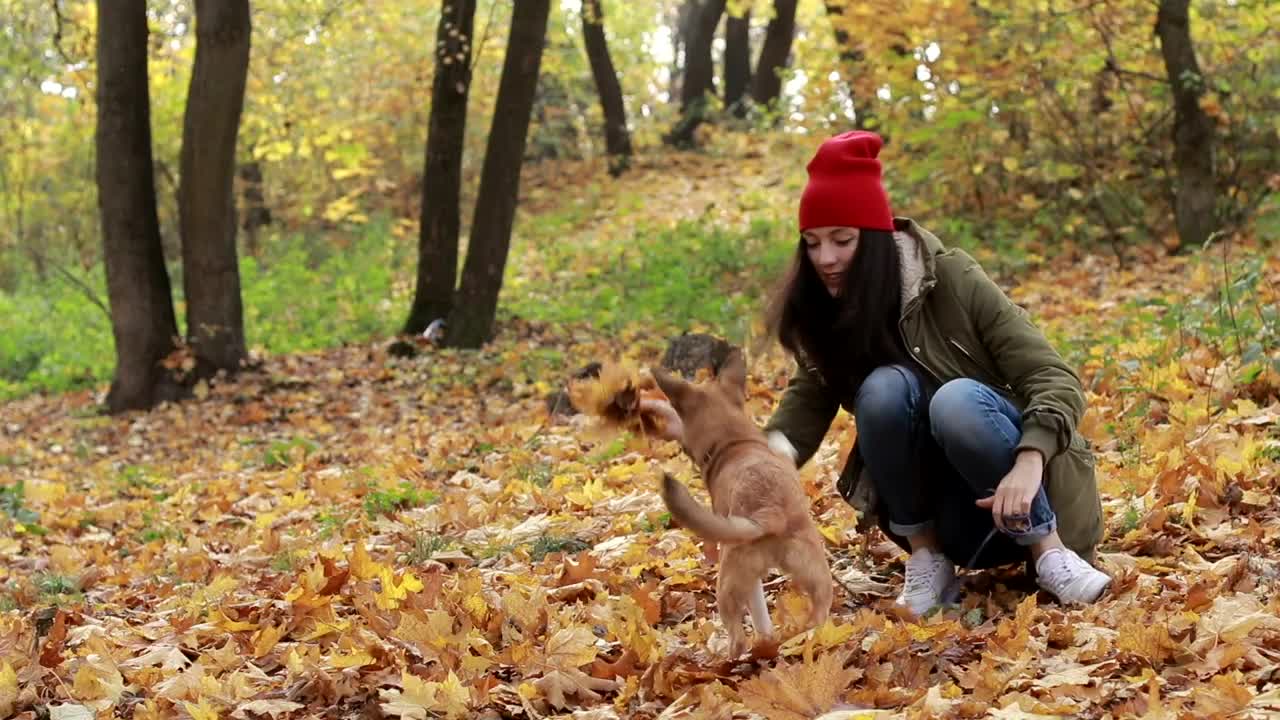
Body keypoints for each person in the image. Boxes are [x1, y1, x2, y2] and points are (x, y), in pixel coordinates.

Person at [751, 129, 1110, 615]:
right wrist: (758, 469)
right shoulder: (831, 315)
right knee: (881, 390)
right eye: (812, 244)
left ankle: (1049, 556)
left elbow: (1053, 376)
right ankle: (928, 559)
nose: (826, 259)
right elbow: (805, 406)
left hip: (1034, 498)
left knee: (957, 400)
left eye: (842, 240)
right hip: (958, 523)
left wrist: (1029, 461)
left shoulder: (951, 279)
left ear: (875, 239)